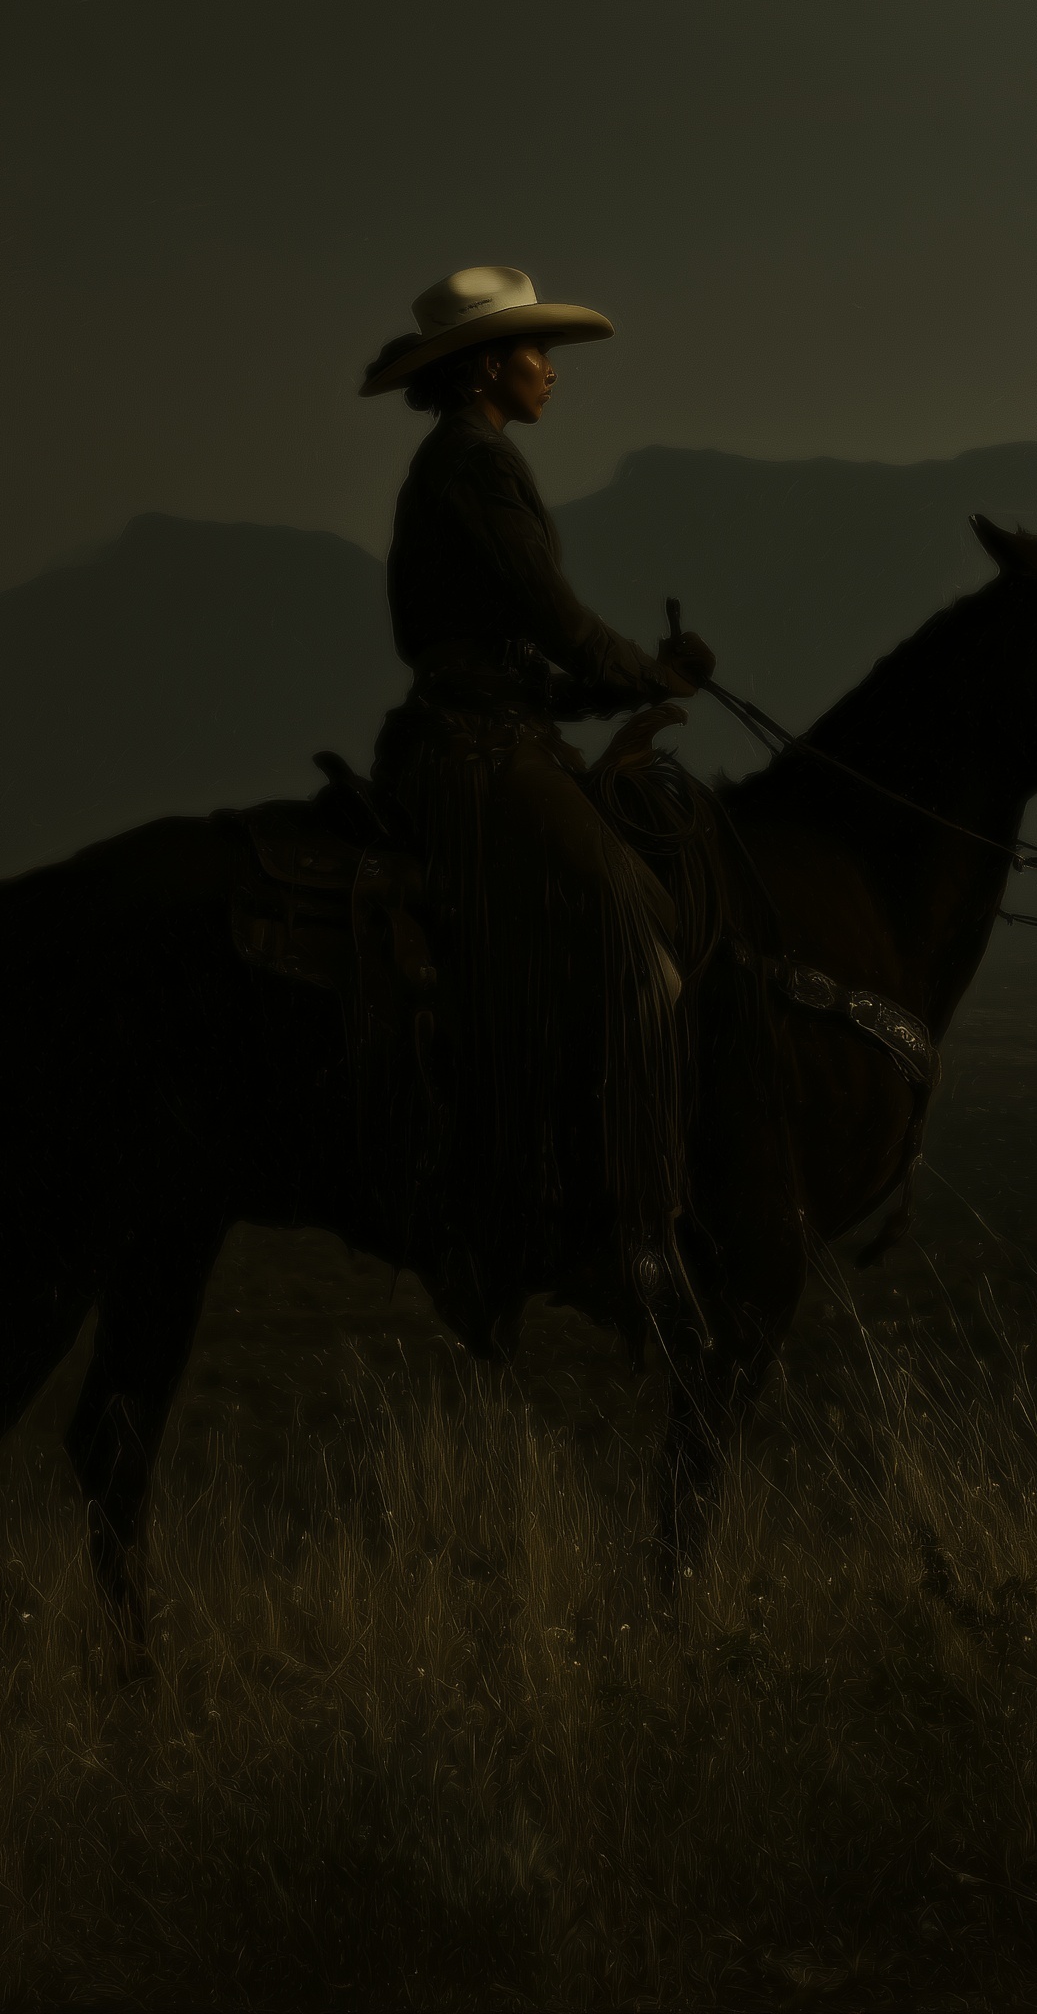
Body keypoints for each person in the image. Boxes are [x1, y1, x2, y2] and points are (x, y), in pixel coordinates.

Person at [360, 264, 716, 1333]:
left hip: (496, 730)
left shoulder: (473, 460)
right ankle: (633, 1239)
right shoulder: (474, 466)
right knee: (641, 948)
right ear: (486, 365)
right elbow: (558, 622)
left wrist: (623, 679)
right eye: (535, 352)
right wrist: (652, 678)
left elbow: (525, 648)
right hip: (475, 753)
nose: (551, 372)